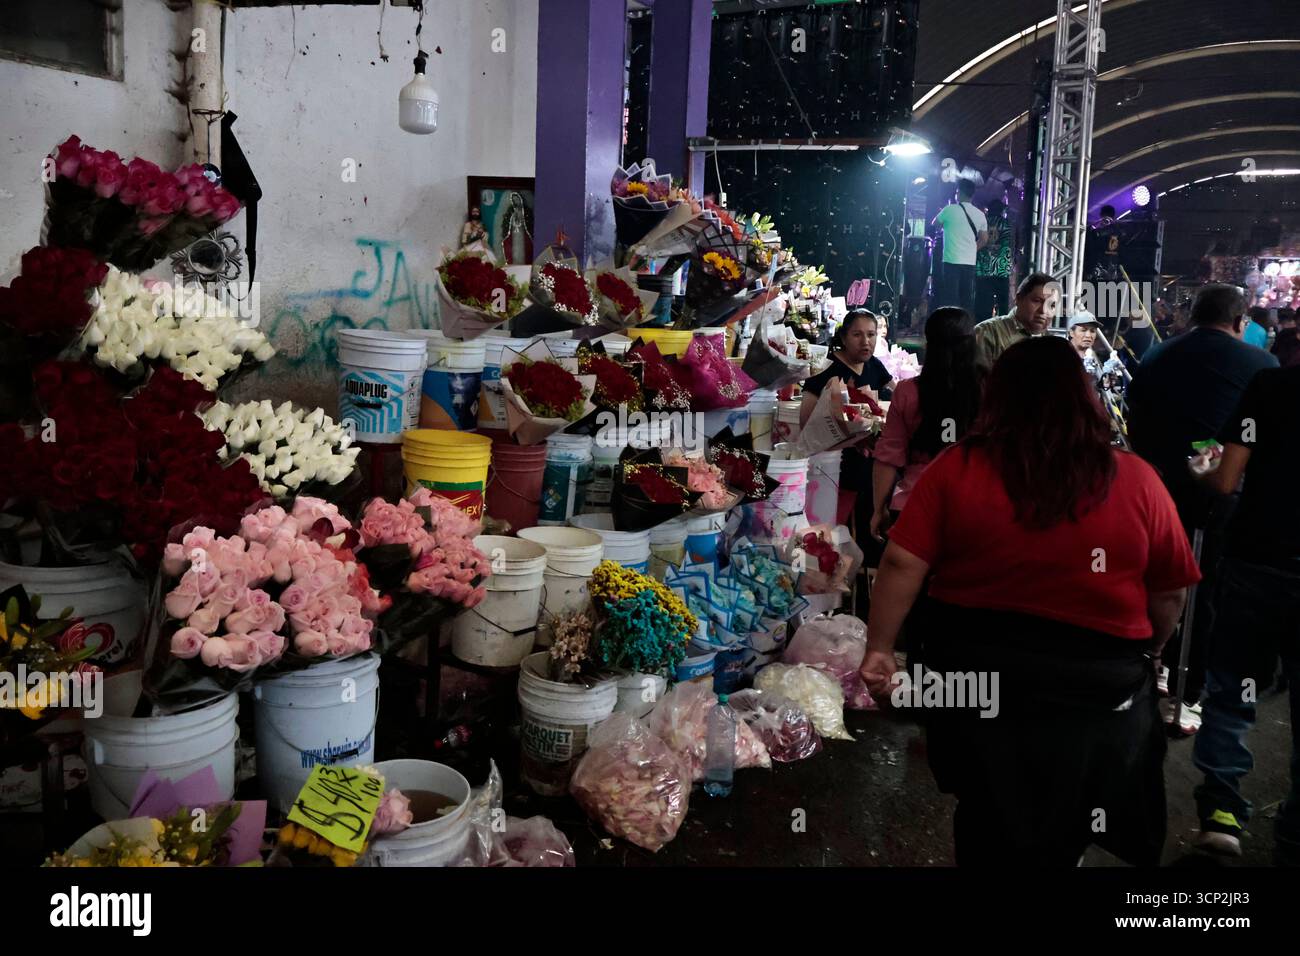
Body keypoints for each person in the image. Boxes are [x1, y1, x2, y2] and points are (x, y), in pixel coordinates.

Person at [859, 337, 1199, 866]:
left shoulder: (957, 467)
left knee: (984, 813)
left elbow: (903, 563)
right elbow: (1171, 591)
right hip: (1097, 685)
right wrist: (1149, 653)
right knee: (1069, 819)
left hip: (972, 679)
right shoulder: (1137, 479)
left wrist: (879, 647)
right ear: (1084, 398)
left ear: (996, 397)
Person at [1126, 285, 1280, 727]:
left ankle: (1150, 663)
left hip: (1157, 487)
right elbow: (1255, 436)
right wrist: (1209, 460)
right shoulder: (1261, 364)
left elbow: (1136, 417)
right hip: (1222, 492)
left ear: (1193, 316)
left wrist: (1167, 462)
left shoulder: (1158, 354)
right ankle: (1186, 690)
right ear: (1239, 322)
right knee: (1205, 588)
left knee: (1153, 575)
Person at [1186, 364, 1300, 864]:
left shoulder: (1271, 385)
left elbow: (1227, 477)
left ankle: (1222, 816)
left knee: (1232, 691)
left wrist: (1201, 470)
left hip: (1259, 559)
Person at [870, 307, 984, 540]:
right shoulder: (991, 389)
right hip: (975, 508)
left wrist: (878, 509)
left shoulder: (908, 391)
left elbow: (888, 457)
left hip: (914, 504)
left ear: (928, 342)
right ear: (974, 342)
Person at [801, 309, 893, 529]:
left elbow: (896, 399)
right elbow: (806, 422)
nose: (865, 342)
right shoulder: (824, 369)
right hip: (833, 464)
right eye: (857, 335)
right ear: (843, 337)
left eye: (871, 335)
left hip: (868, 459)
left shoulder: (875, 365)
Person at [972, 272, 1056, 370]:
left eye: (1051, 305)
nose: (1044, 310)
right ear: (1018, 299)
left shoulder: (1052, 344)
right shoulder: (988, 332)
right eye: (1037, 301)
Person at [932, 179, 987, 315]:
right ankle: (965, 329)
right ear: (972, 195)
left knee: (950, 299)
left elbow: (935, 224)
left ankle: (950, 328)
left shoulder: (949, 210)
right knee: (967, 299)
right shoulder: (980, 215)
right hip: (969, 262)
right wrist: (972, 249)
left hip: (951, 261)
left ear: (959, 193)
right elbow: (984, 239)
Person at [974, 199, 1013, 321]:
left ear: (988, 210)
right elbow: (1013, 243)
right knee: (1003, 303)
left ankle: (982, 328)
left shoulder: (982, 222)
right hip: (1002, 269)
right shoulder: (1007, 223)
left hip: (984, 269)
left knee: (983, 304)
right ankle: (1003, 328)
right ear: (1002, 210)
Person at [1068, 311, 1102, 380]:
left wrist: (1104, 383)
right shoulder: (1061, 356)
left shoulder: (1093, 358)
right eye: (1083, 330)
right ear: (1071, 333)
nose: (1088, 335)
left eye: (1092, 331)